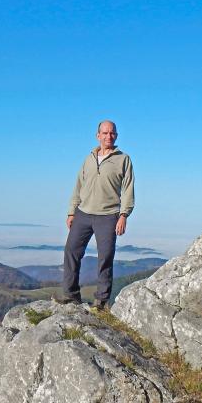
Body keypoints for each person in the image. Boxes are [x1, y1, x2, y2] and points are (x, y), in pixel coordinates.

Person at [59, 120, 135, 309]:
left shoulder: (123, 159)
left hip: (108, 215)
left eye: (112, 133)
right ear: (98, 135)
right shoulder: (89, 158)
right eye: (105, 133)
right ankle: (71, 295)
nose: (109, 136)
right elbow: (78, 185)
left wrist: (124, 215)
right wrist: (71, 211)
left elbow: (128, 189)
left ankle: (101, 301)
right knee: (71, 251)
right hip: (83, 213)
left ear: (116, 136)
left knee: (105, 257)